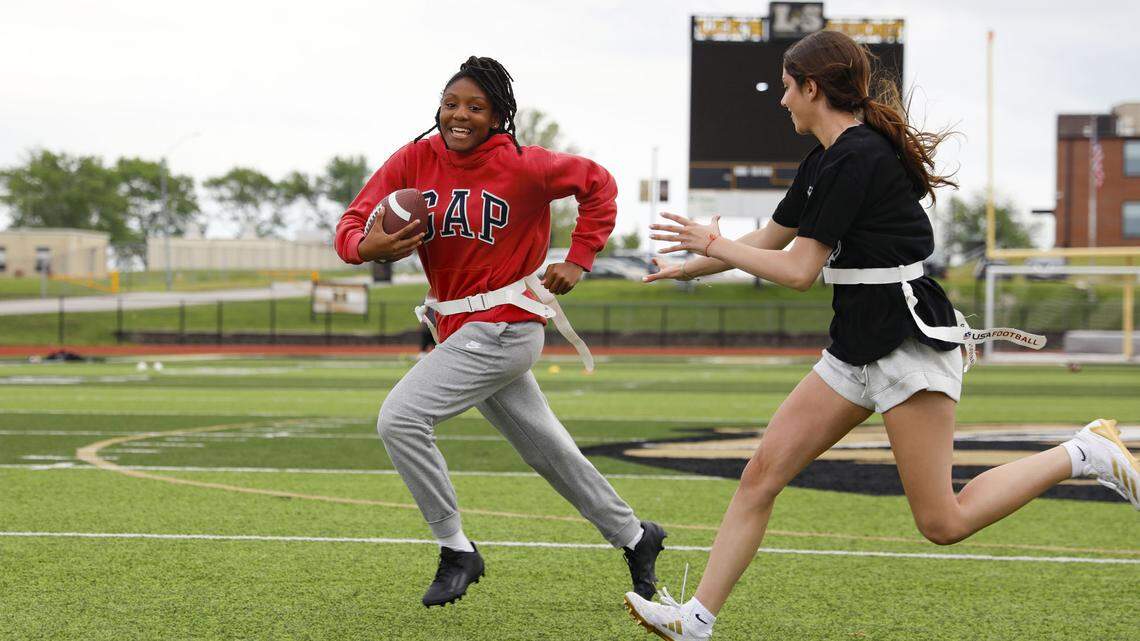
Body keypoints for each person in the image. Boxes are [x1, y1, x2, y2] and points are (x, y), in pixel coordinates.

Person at [622, 30, 1139, 640]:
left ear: (812, 88)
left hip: (908, 342)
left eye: (787, 88)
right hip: (856, 343)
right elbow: (768, 241)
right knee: (761, 473)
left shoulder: (856, 157)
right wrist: (688, 267)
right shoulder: (823, 158)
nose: (781, 101)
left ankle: (1085, 453)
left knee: (942, 521)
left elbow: (797, 272)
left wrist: (712, 243)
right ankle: (696, 622)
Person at [334, 56, 666, 608]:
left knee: (400, 418)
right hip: (457, 327)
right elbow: (350, 224)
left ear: (497, 116)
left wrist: (580, 258)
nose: (459, 116)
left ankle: (456, 548)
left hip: (506, 326)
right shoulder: (415, 159)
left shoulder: (524, 165)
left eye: (475, 107)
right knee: (548, 451)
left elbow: (599, 184)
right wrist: (365, 248)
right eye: (450, 104)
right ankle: (635, 537)